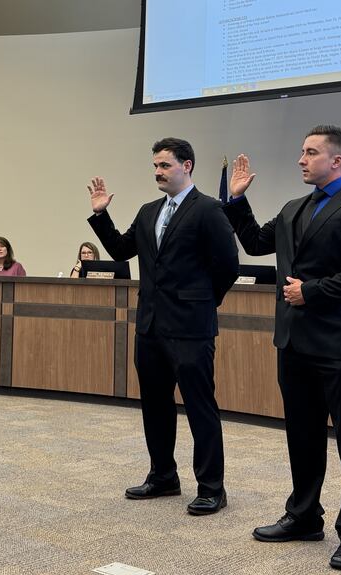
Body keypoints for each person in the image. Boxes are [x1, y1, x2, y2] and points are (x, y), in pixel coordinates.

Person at [224, 125, 341, 570]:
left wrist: (312, 291)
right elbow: (258, 244)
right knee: (302, 436)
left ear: (336, 160)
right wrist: (238, 201)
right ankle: (303, 516)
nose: (301, 159)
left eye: (311, 152)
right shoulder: (294, 207)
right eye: (301, 151)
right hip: (294, 341)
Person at [87, 137, 239, 514]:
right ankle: (163, 476)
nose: (158, 171)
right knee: (155, 405)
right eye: (155, 166)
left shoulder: (208, 209)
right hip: (150, 327)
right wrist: (101, 215)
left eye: (165, 165)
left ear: (187, 166)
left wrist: (203, 302)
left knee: (200, 407)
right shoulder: (148, 210)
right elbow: (122, 251)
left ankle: (211, 487)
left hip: (190, 327)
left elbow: (229, 266)